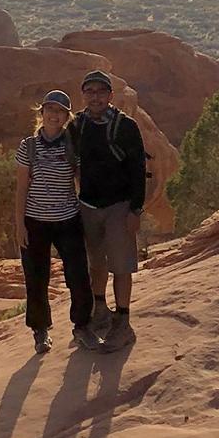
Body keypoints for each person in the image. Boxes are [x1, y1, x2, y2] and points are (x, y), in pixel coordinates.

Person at [68, 70, 149, 352]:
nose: (95, 97)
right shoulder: (76, 125)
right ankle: (100, 310)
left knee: (121, 265)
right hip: (88, 205)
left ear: (110, 95)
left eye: (100, 91)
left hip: (119, 206)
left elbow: (138, 169)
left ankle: (123, 321)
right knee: (96, 264)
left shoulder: (125, 126)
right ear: (83, 95)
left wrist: (135, 210)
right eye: (89, 91)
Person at [13, 90, 95, 356]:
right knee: (36, 279)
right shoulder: (29, 146)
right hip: (34, 221)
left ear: (66, 116)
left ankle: (82, 326)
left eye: (60, 111)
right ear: (42, 113)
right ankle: (41, 331)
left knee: (79, 275)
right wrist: (19, 225)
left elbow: (82, 181)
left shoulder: (73, 144)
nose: (54, 115)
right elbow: (21, 188)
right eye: (50, 110)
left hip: (67, 219)